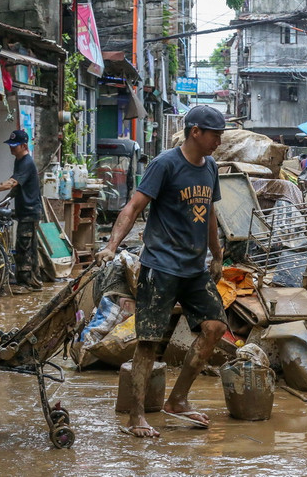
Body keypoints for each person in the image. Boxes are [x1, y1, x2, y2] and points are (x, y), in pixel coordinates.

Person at [95, 105, 227, 439]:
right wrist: (112, 245)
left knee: (214, 327)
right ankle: (136, 417)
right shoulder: (164, 164)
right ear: (195, 131)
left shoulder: (210, 167)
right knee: (148, 343)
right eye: (215, 134)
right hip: (160, 266)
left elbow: (208, 211)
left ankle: (178, 399)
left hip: (194, 268)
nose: (219, 141)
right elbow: (133, 207)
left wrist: (217, 253)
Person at [0, 129, 43, 291]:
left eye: (15, 146)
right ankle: (34, 281)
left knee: (24, 248)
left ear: (24, 145)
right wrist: (3, 202)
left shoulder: (26, 162)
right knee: (29, 246)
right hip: (25, 210)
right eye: (10, 145)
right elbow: (16, 188)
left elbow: (10, 183)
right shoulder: (19, 161)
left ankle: (25, 283)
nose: (11, 148)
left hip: (30, 212)